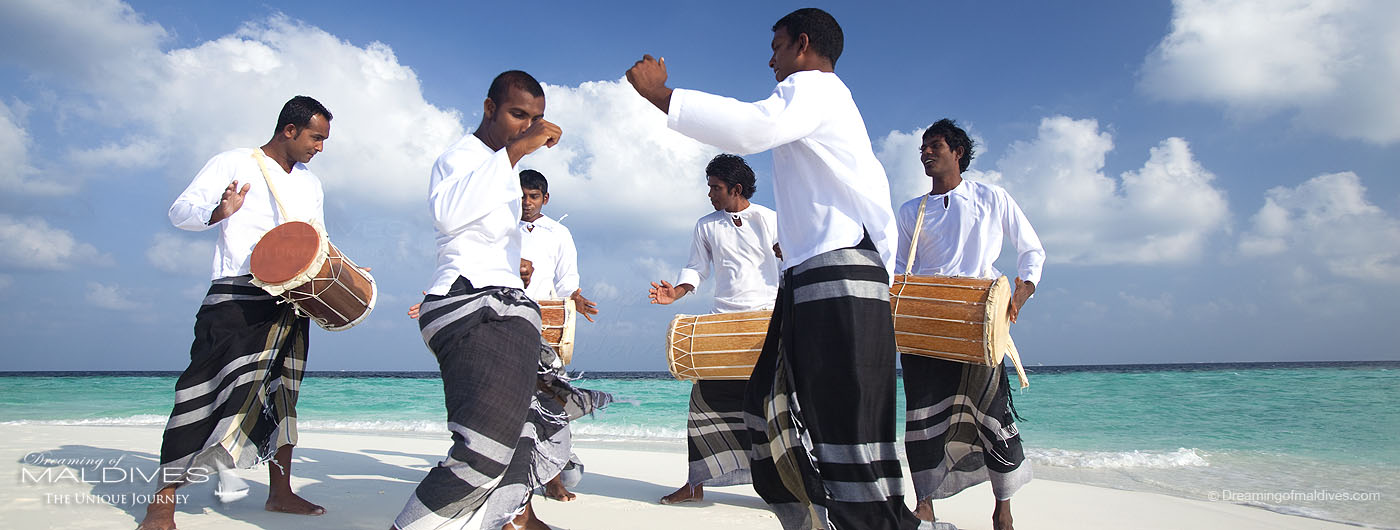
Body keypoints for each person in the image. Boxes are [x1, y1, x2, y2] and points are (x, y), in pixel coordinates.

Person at [627, 8, 920, 530]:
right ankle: (822, 517)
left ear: (802, 45)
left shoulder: (816, 88)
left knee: (846, 419)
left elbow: (749, 127)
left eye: (777, 46)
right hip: (815, 276)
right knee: (769, 406)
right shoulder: (817, 101)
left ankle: (878, 522)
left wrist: (662, 97)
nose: (771, 58)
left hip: (840, 269)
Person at [392, 70, 608, 530]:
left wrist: (519, 269)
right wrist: (516, 151)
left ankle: (514, 515)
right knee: (482, 447)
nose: (527, 126)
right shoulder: (462, 156)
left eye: (536, 119)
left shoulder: (505, 172)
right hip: (468, 304)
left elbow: (489, 241)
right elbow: (448, 217)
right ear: (489, 108)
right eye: (517, 115)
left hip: (509, 305)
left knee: (529, 418)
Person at [141, 95, 334, 530]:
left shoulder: (311, 184)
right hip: (237, 293)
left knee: (282, 396)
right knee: (201, 389)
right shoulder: (233, 162)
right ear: (290, 130)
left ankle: (280, 493)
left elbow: (316, 237)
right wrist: (218, 212)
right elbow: (179, 212)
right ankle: (163, 501)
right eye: (316, 137)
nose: (319, 147)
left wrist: (341, 271)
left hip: (292, 298)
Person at [895, 119, 1044, 530]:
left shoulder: (991, 197)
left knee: (992, 413)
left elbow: (1032, 248)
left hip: (977, 321)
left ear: (957, 152)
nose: (926, 153)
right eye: (922, 148)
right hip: (925, 324)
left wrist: (1022, 290)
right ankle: (924, 502)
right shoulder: (912, 210)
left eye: (935, 146)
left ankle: (1003, 504)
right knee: (923, 417)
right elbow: (898, 269)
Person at [648, 154, 779, 505]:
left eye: (716, 188)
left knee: (773, 409)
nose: (710, 194)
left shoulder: (770, 220)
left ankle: (783, 486)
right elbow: (696, 268)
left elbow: (792, 261)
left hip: (765, 322)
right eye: (709, 186)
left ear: (736, 188)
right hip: (721, 323)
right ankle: (696, 485)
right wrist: (674, 293)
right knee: (703, 404)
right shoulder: (706, 225)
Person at [519, 169, 599, 321]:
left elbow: (566, 281)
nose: (527, 202)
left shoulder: (558, 233)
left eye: (534, 197)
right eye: (522, 196)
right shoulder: (499, 227)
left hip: (540, 315)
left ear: (545, 198)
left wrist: (573, 298)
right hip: (499, 310)